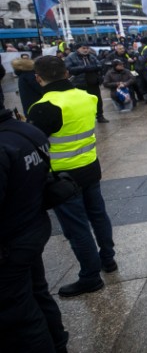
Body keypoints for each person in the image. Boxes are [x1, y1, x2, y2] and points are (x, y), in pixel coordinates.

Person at [27, 56, 116, 297]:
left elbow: (33, 142)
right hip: (89, 165)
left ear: (38, 78)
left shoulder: (43, 106)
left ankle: (90, 276)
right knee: (98, 215)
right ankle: (108, 259)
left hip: (62, 176)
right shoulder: (88, 97)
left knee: (77, 227)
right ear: (67, 73)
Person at [0, 107, 70, 352]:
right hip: (32, 229)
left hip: (11, 244)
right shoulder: (28, 132)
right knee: (38, 293)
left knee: (19, 319)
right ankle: (58, 341)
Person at [65, 42, 108, 123]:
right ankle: (83, 117)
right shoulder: (71, 57)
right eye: (83, 48)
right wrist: (84, 68)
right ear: (78, 49)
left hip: (93, 82)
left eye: (87, 48)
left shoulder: (91, 56)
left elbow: (99, 65)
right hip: (79, 83)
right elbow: (69, 69)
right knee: (81, 102)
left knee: (97, 99)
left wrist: (93, 69)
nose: (86, 50)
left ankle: (100, 116)